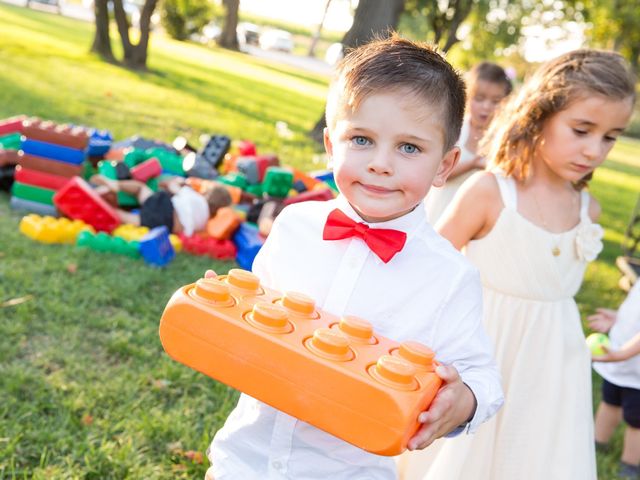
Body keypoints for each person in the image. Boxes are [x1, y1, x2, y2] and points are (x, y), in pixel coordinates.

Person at [203, 35, 504, 480]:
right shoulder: (294, 226)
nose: (381, 163)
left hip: (348, 471)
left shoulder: (448, 275)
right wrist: (224, 312)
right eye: (361, 139)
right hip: (244, 458)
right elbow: (257, 318)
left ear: (445, 164)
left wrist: (465, 401)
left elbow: (483, 375)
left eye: (409, 148)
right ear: (330, 145)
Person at [398, 49, 636, 480]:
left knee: (532, 452)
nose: (594, 150)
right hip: (483, 343)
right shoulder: (490, 192)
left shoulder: (589, 211)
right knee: (464, 457)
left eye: (609, 137)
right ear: (539, 115)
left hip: (552, 360)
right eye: (581, 130)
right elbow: (427, 270)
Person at [424, 62, 512, 224]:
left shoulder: (502, 138)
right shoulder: (455, 129)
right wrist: (473, 163)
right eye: (479, 99)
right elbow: (435, 172)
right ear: (468, 97)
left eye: (495, 101)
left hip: (475, 217)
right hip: (442, 207)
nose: (486, 107)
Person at [590, 280, 640, 479]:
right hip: (619, 361)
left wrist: (623, 354)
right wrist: (617, 319)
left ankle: (630, 463)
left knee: (636, 419)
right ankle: (596, 443)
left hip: (635, 371)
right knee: (609, 400)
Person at [90, 174, 231, 236]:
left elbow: (174, 187)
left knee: (140, 188)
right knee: (125, 217)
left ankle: (115, 184)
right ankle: (109, 208)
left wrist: (177, 182)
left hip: (165, 203)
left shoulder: (195, 196)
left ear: (207, 194)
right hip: (165, 223)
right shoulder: (204, 223)